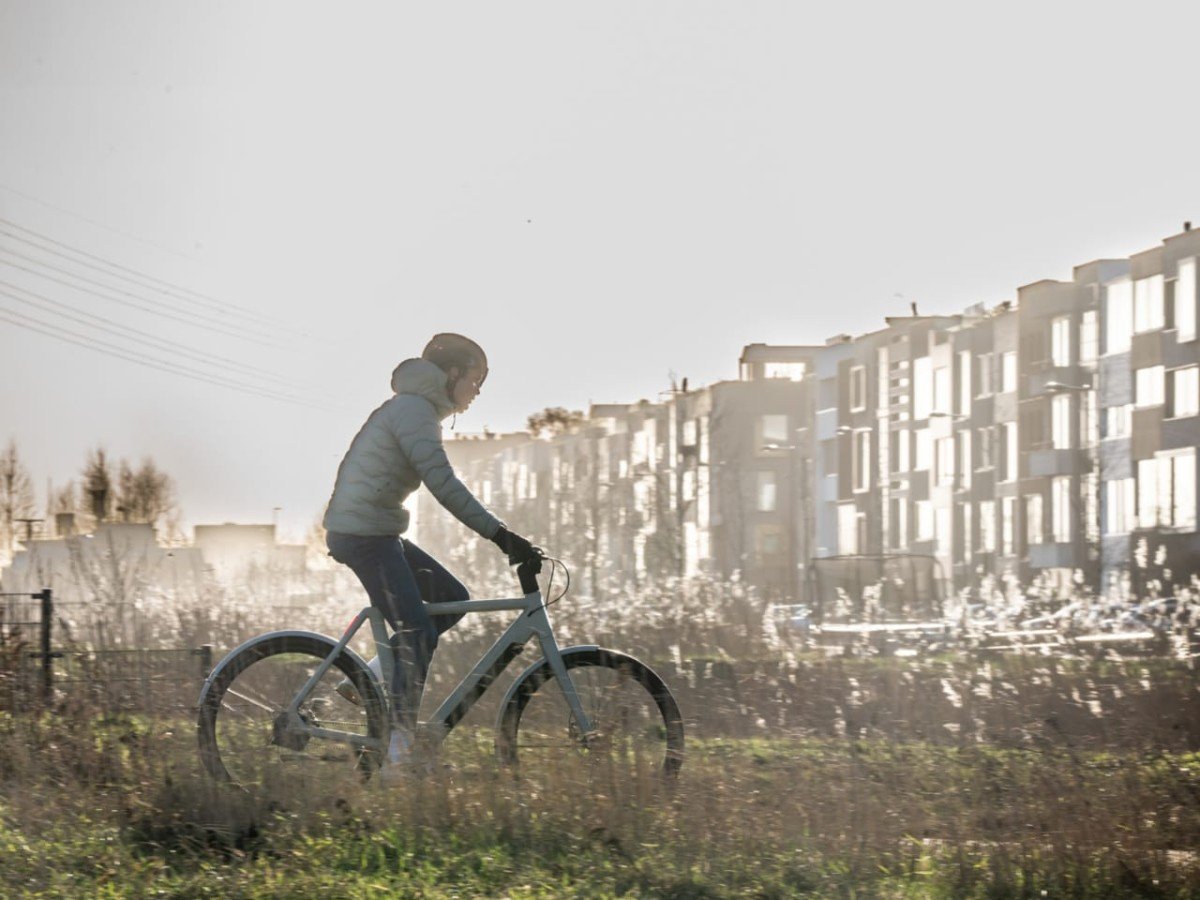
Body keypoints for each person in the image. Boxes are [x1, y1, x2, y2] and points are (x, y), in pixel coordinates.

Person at [323, 333, 541, 768]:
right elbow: (443, 484)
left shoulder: (417, 411)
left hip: (377, 531)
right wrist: (501, 536)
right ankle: (397, 752)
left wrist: (501, 536)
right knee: (417, 631)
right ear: (453, 374)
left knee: (451, 599)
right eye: (476, 380)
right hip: (362, 534)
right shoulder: (414, 412)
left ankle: (368, 676)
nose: (477, 391)